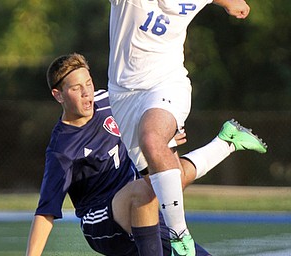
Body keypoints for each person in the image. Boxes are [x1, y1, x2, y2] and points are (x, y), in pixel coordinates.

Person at [26, 53, 266, 256]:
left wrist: (164, 137)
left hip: (143, 206)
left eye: (88, 83)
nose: (87, 93)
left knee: (166, 173)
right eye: (77, 88)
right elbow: (46, 211)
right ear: (58, 95)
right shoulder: (62, 148)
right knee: (147, 187)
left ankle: (226, 142)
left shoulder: (109, 100)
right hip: (101, 221)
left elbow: (146, 117)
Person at [107, 0, 266, 255]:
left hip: (167, 84)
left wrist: (232, 3)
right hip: (124, 95)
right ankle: (226, 142)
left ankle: (181, 238)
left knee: (151, 139)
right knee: (158, 185)